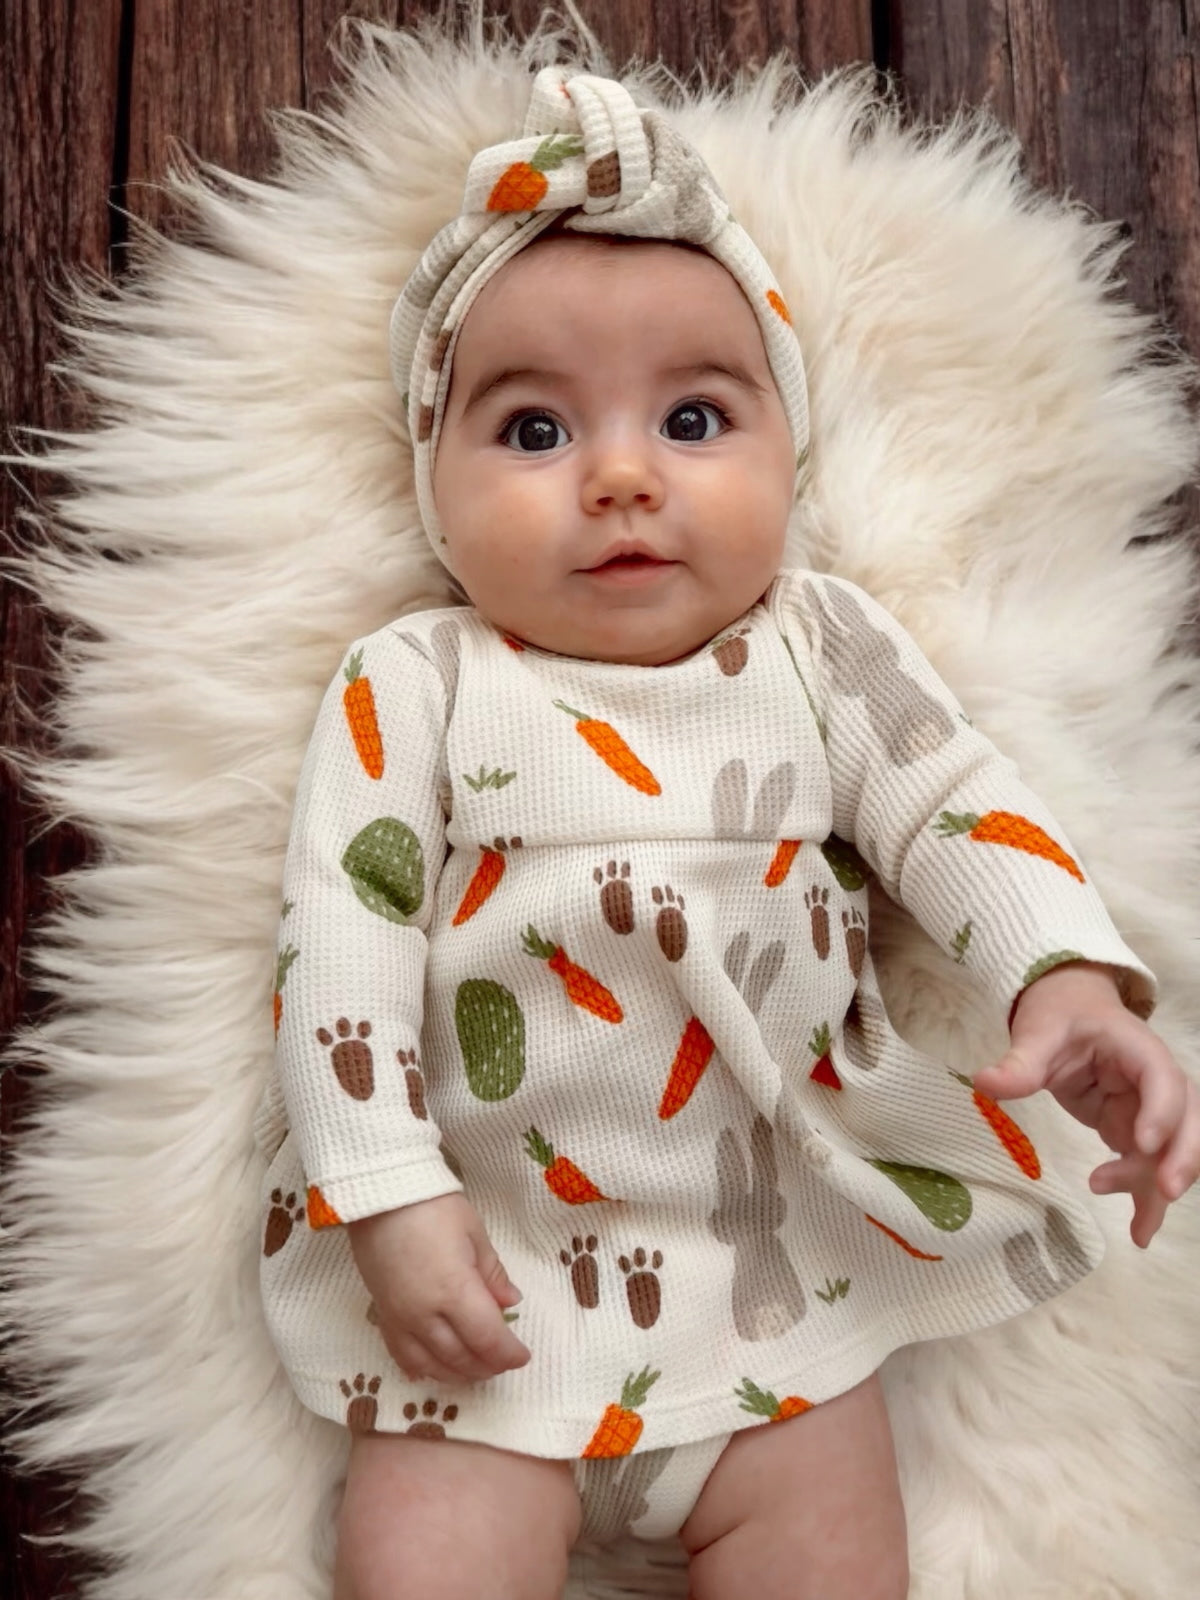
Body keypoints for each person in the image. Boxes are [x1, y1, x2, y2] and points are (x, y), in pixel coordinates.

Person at [256, 67, 1200, 1600]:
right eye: (535, 428)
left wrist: (1066, 982)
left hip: (773, 1284)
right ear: (433, 488)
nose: (623, 475)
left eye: (694, 417)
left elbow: (954, 801)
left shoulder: (816, 648)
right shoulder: (420, 680)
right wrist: (384, 1191)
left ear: (787, 452)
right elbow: (337, 951)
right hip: (482, 1282)